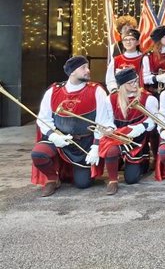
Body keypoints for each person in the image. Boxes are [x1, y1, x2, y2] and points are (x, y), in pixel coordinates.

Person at [30, 56, 118, 196]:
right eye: (83, 68)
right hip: (61, 140)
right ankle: (52, 179)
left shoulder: (96, 90)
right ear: (72, 72)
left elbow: (102, 121)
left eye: (87, 67)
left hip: (85, 143)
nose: (88, 70)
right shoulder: (53, 90)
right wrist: (54, 136)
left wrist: (95, 146)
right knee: (38, 153)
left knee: (83, 184)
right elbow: (43, 119)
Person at [102, 67, 158, 189]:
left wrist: (141, 127)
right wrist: (109, 128)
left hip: (137, 140)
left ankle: (141, 161)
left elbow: (154, 120)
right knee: (110, 151)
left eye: (136, 80)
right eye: (131, 82)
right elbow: (107, 119)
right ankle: (113, 181)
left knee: (131, 179)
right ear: (122, 85)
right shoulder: (111, 98)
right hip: (119, 137)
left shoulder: (149, 98)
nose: (135, 84)